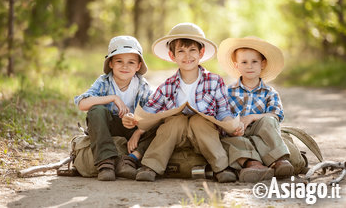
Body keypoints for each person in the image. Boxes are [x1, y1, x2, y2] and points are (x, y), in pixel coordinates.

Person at [123, 22, 243, 183]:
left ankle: (221, 167)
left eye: (192, 50)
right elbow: (149, 112)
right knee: (176, 120)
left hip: (203, 135)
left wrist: (231, 124)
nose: (187, 56)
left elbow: (223, 111)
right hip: (176, 137)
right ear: (173, 56)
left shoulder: (214, 81)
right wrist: (137, 127)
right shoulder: (167, 86)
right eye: (181, 51)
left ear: (201, 52)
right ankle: (151, 166)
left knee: (198, 120)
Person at [74, 35, 155, 181]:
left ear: (138, 66)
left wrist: (138, 129)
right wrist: (113, 98)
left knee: (160, 123)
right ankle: (106, 163)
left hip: (133, 129)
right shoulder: (104, 81)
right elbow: (82, 103)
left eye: (131, 62)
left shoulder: (143, 86)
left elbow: (154, 111)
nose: (125, 66)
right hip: (109, 127)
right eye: (119, 61)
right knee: (96, 110)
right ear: (110, 63)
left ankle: (130, 160)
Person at [217, 36, 294, 182]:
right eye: (244, 62)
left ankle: (278, 161)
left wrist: (252, 117)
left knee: (268, 120)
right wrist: (232, 127)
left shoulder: (269, 92)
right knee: (232, 141)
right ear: (236, 65)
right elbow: (222, 115)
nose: (249, 66)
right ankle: (254, 165)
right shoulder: (228, 92)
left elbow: (276, 115)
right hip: (239, 134)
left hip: (262, 135)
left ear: (262, 64)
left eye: (254, 62)